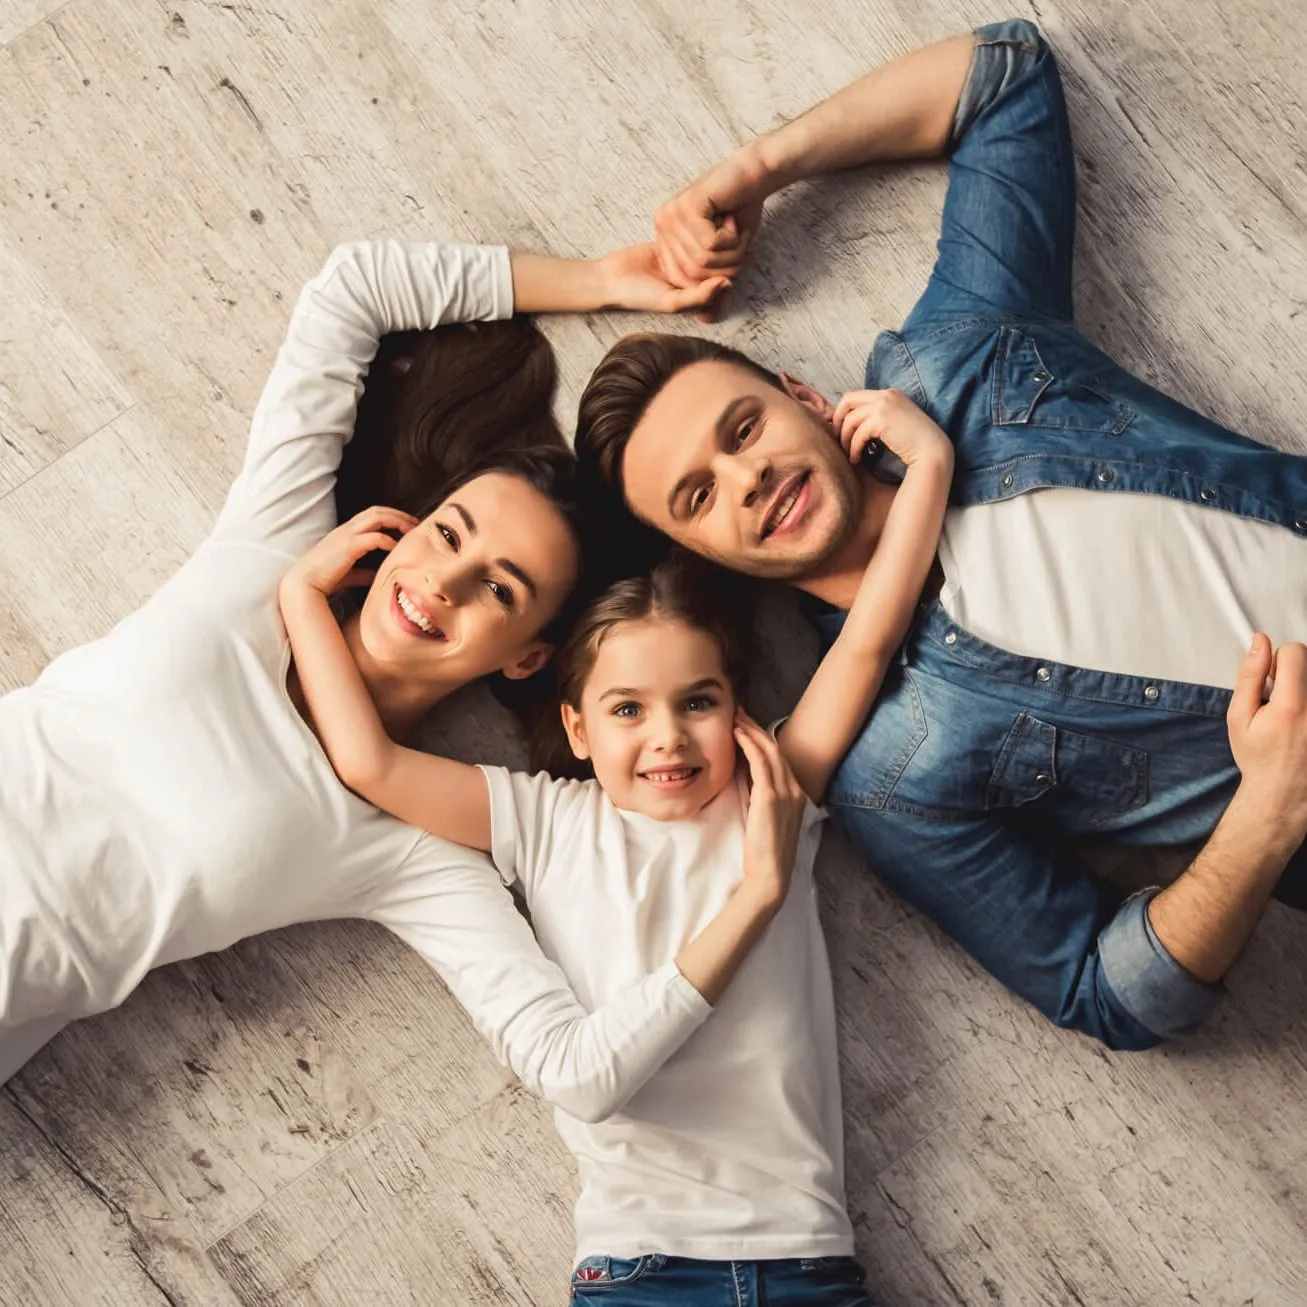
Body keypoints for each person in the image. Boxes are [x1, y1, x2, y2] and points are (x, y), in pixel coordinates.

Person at [573, 18, 1307, 1051]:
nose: (749, 480)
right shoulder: (888, 768)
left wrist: (754, 169)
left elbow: (1005, 78)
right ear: (699, 554)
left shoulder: (960, 362)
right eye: (696, 498)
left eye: (742, 429)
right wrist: (1268, 811)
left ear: (799, 395)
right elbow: (1107, 992)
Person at [0, 236, 762, 1100]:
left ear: (528, 656)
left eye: (498, 589)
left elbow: (575, 1070)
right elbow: (351, 289)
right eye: (446, 533)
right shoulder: (267, 548)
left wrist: (758, 894)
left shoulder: (409, 841)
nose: (440, 584)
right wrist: (599, 281)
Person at [273, 383, 952, 1302]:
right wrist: (300, 595)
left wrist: (930, 467)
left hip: (808, 1263)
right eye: (627, 709)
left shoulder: (772, 789)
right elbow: (369, 762)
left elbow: (869, 637)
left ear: (737, 707)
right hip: (640, 1271)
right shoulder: (543, 819)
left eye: (698, 702)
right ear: (579, 728)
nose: (666, 737)